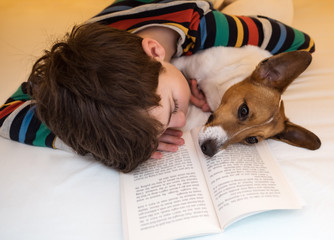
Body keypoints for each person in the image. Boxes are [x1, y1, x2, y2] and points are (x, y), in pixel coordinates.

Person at [0, 0, 315, 172]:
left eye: (175, 107)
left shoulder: (206, 27)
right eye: (170, 117)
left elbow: (304, 42)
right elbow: (7, 114)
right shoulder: (64, 77)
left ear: (155, 52)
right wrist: (96, 139)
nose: (181, 122)